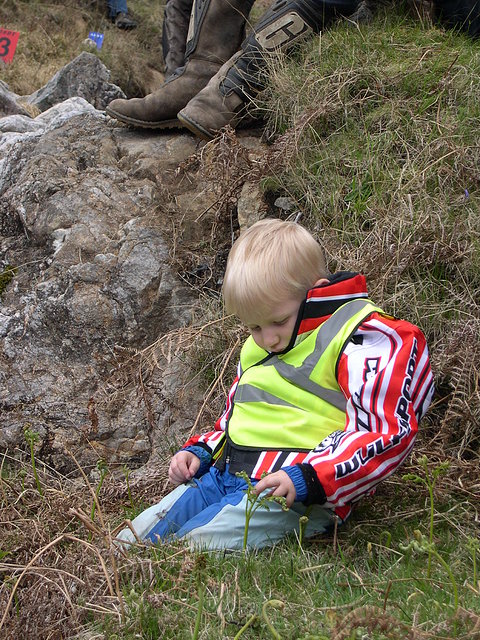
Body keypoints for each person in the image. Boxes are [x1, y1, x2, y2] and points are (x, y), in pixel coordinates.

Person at [116, 218, 434, 550]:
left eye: (278, 321)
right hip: (222, 477)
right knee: (130, 541)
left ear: (315, 291)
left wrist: (310, 477)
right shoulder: (255, 350)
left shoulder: (358, 338)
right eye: (254, 326)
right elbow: (235, 419)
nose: (268, 338)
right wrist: (202, 451)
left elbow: (383, 432)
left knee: (190, 549)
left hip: (292, 491)